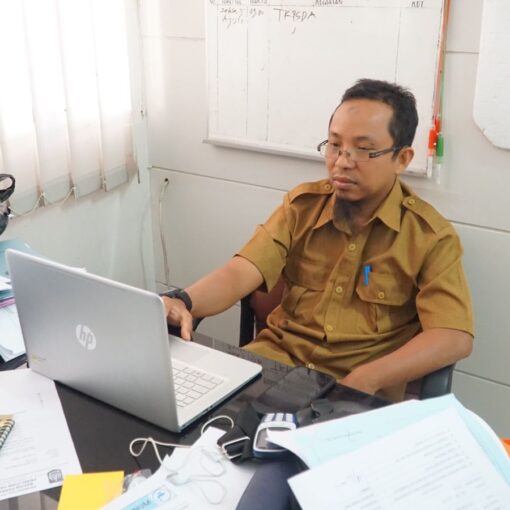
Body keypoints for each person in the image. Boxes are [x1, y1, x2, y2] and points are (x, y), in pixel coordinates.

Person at [163, 79, 474, 401]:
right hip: (274, 366)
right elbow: (241, 271)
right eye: (335, 145)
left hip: (354, 392)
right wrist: (183, 301)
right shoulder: (302, 207)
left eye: (363, 150)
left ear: (402, 159)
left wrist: (367, 378)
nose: (342, 161)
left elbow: (453, 335)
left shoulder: (429, 237)